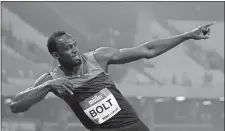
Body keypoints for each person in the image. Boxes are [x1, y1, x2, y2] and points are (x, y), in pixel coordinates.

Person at [10, 22, 215, 131]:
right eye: (68, 49)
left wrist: (187, 35)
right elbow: (16, 105)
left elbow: (147, 50)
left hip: (134, 128)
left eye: (75, 45)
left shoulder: (98, 58)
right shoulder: (52, 80)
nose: (75, 51)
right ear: (56, 55)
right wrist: (48, 86)